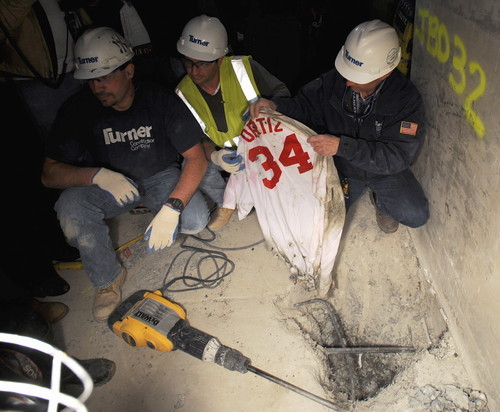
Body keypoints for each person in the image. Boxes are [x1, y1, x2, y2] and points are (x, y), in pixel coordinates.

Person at [41, 27, 209, 322]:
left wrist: (173, 208)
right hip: (111, 184)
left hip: (159, 177)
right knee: (71, 207)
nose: (97, 87)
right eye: (91, 80)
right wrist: (94, 176)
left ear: (129, 71)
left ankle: (159, 209)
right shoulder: (78, 109)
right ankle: (107, 281)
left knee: (194, 220)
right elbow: (49, 174)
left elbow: (196, 158)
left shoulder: (159, 100)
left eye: (105, 77)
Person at [250, 19, 429, 233]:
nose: (347, 82)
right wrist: (276, 105)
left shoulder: (406, 100)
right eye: (348, 73)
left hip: (382, 170)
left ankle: (381, 202)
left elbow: (398, 156)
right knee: (317, 223)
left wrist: (341, 146)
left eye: (357, 77)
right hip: (341, 167)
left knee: (416, 215)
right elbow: (304, 105)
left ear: (384, 74)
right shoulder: (334, 81)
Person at [175, 14, 291, 230]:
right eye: (188, 62)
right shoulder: (183, 91)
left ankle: (258, 196)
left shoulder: (243, 68)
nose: (193, 71)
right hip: (224, 153)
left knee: (278, 181)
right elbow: (193, 139)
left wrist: (269, 106)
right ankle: (227, 204)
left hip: (260, 143)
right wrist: (214, 156)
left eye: (201, 64)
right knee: (195, 169)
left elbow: (282, 94)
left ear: (219, 59)